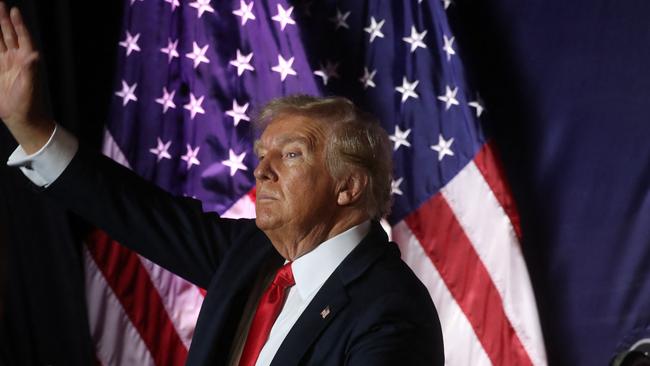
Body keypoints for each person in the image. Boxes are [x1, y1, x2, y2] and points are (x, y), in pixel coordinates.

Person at [0, 3, 444, 365]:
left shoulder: (391, 310)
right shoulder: (250, 255)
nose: (262, 171)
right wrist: (33, 129)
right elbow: (135, 211)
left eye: (290, 155)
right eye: (262, 156)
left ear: (348, 186)